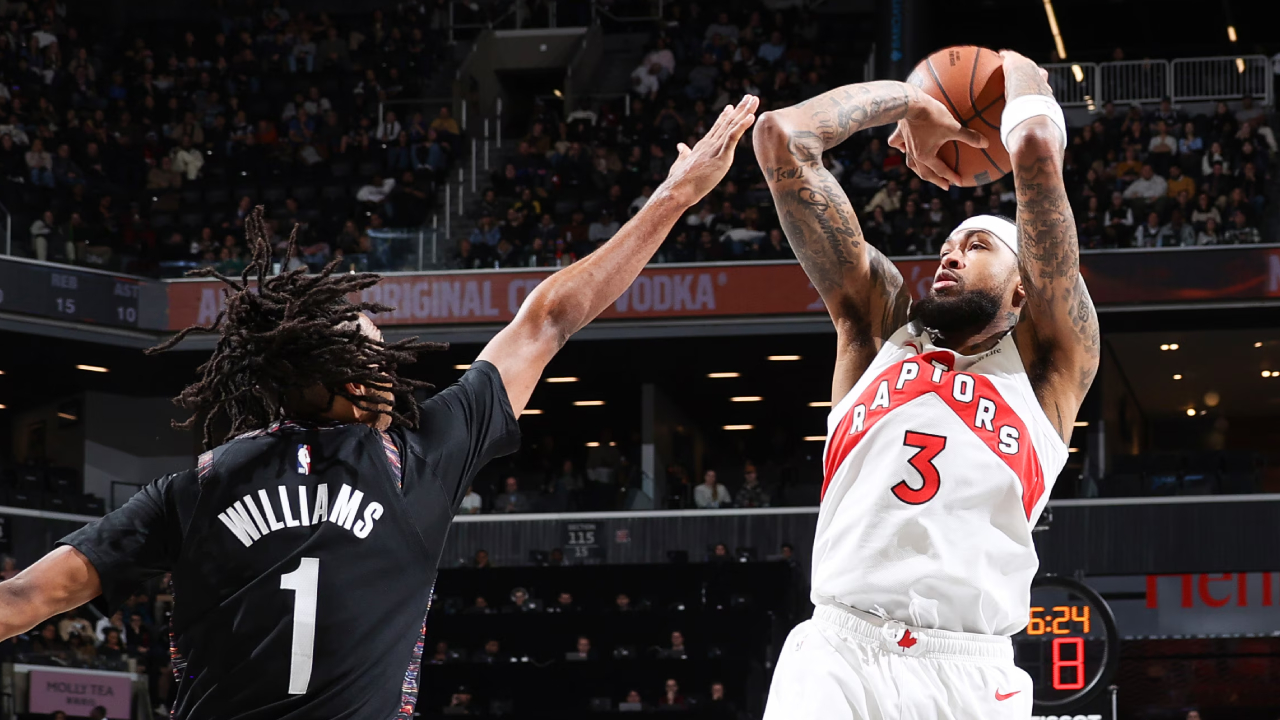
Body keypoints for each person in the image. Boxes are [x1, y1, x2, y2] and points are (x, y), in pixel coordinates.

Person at [0, 96, 760, 720]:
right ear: (354, 383)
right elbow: (549, 319)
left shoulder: (198, 485)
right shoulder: (416, 457)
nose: (391, 364)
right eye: (376, 350)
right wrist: (672, 198)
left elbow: (26, 599)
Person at [754, 52, 1096, 719]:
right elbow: (781, 140)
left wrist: (1020, 68)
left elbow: (1030, 148)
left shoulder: (1050, 368)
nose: (950, 252)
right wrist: (906, 102)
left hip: (969, 674)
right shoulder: (875, 330)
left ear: (1024, 287)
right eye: (946, 245)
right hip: (838, 655)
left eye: (977, 246)